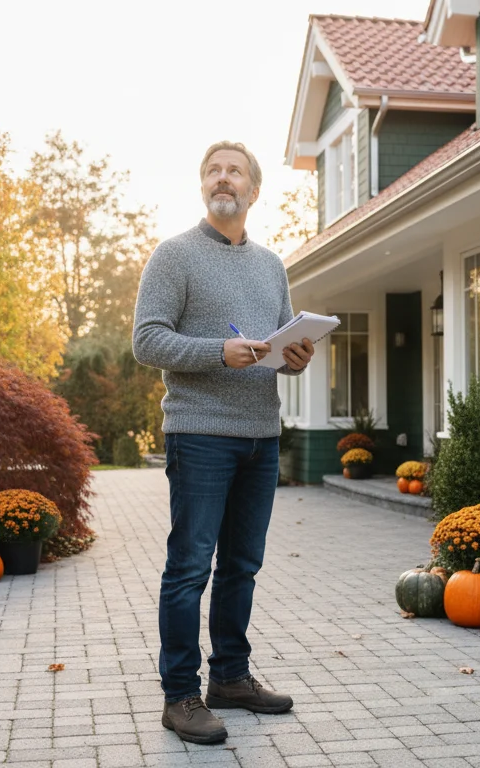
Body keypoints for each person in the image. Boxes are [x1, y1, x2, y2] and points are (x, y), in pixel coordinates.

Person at [132, 141, 314, 745]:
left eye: (234, 170)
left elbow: (279, 348)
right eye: (213, 170)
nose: (223, 178)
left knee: (242, 566)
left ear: (253, 190)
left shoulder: (271, 265)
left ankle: (230, 679)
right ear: (203, 186)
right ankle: (179, 695)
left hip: (261, 437)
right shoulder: (174, 256)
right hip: (200, 434)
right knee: (189, 569)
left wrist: (295, 357)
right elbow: (147, 341)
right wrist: (218, 352)